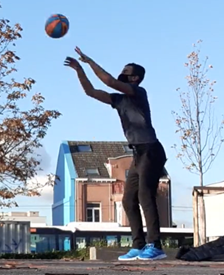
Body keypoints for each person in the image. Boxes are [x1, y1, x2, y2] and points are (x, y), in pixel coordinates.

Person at [64, 47, 168, 261]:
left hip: (151, 150)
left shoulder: (139, 92)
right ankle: (139, 245)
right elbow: (91, 92)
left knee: (144, 196)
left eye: (127, 73)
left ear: (135, 78)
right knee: (128, 200)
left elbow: (109, 81)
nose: (122, 75)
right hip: (138, 154)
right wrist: (79, 71)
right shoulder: (119, 100)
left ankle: (155, 245)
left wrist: (90, 61)